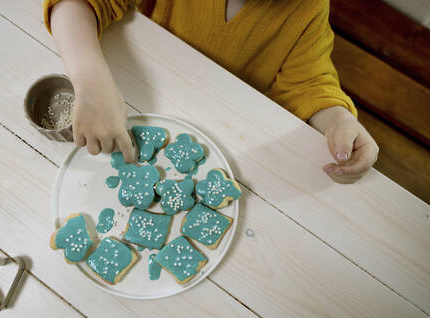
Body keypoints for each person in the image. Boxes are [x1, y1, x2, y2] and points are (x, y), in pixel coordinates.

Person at [43, 0, 379, 184]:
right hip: (133, 103)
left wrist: (337, 121)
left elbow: (308, 84)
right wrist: (90, 78)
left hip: (220, 147)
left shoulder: (307, 10)